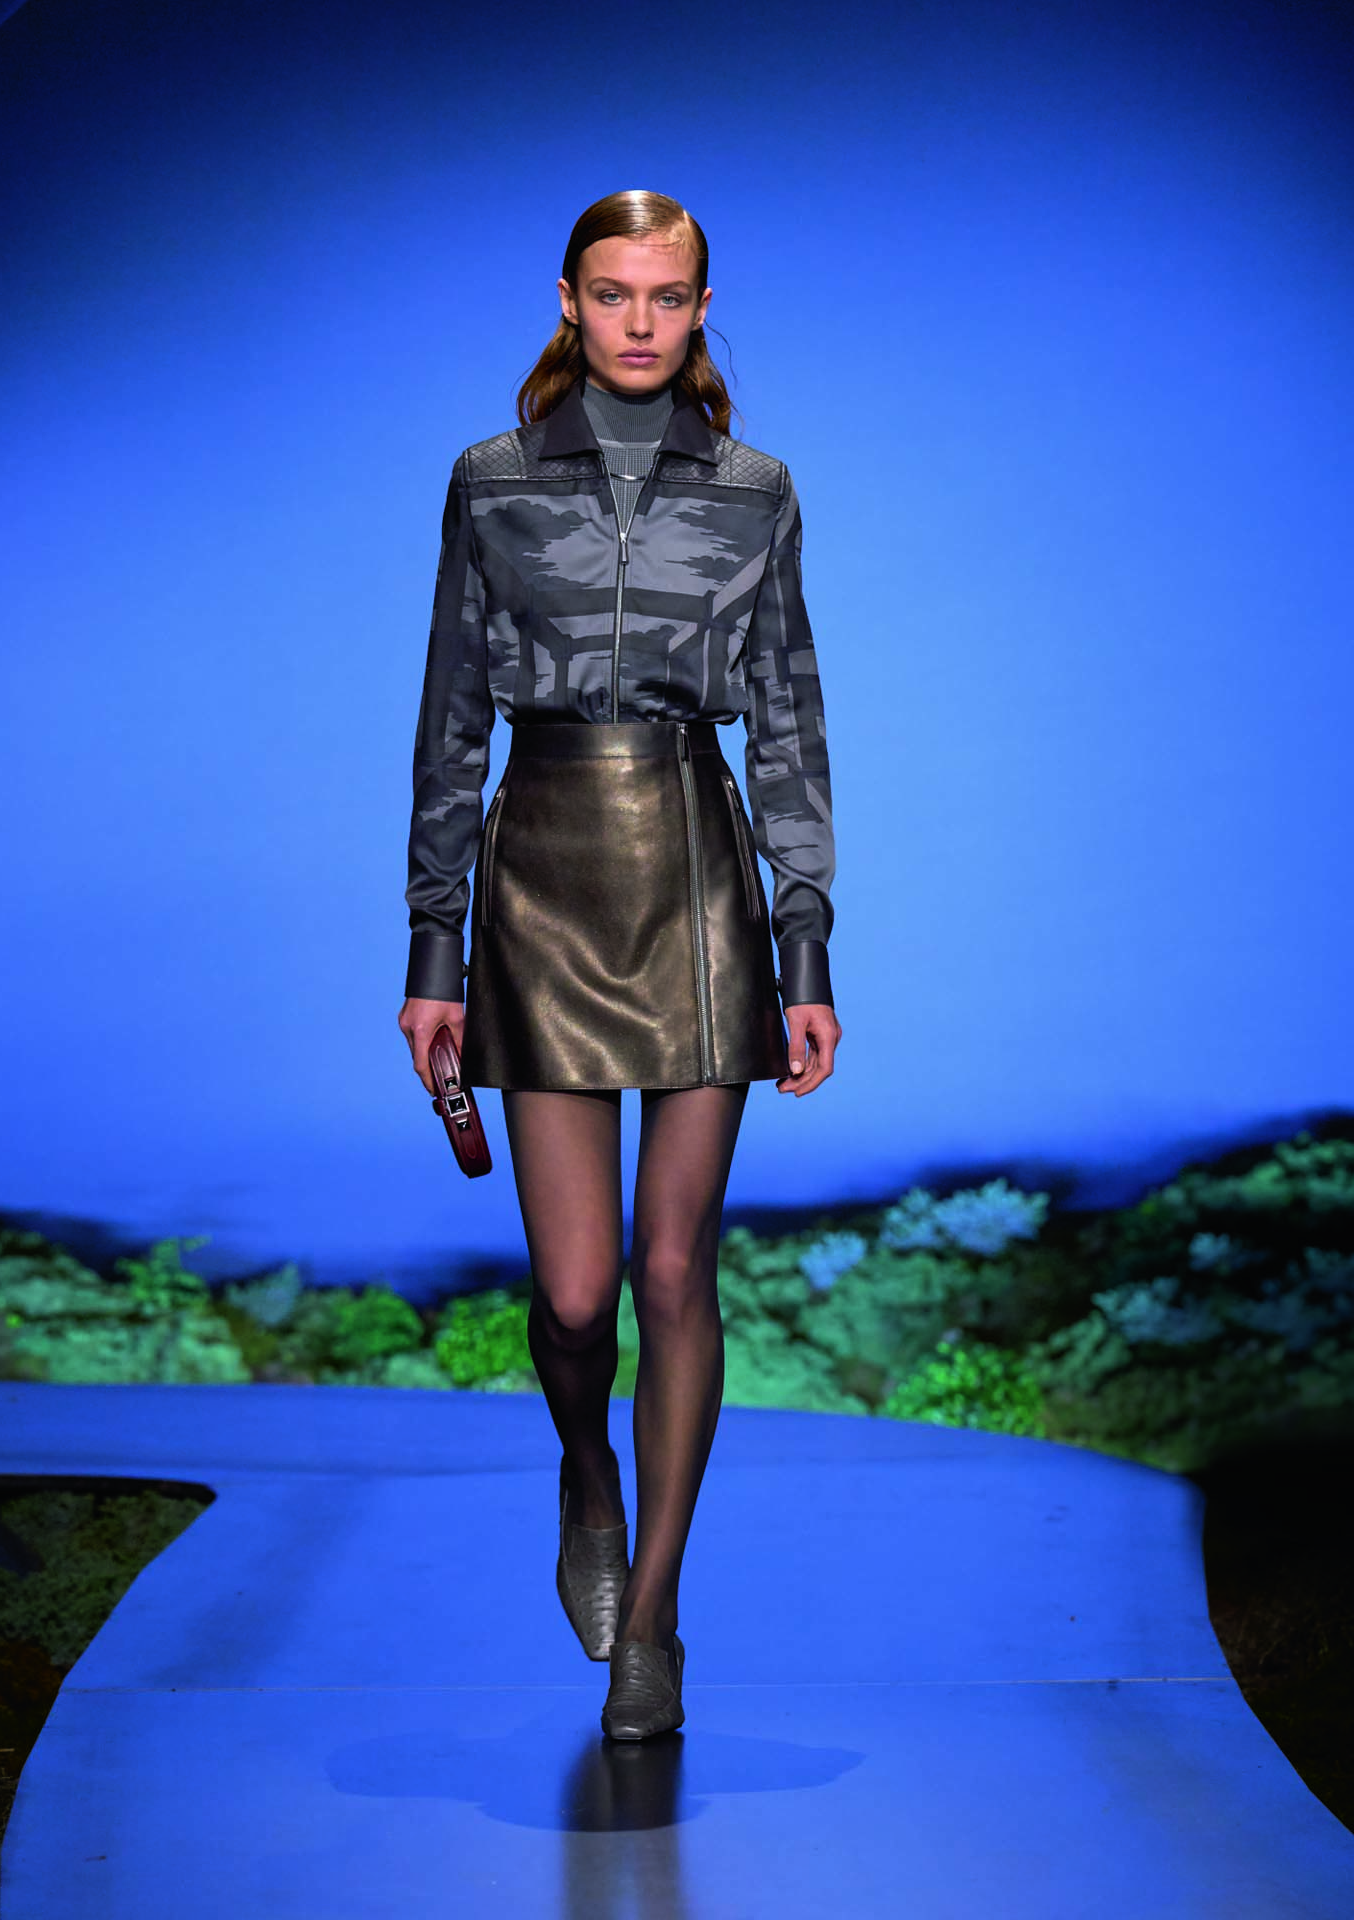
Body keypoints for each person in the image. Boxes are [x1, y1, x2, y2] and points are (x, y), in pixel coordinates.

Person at [398, 189, 841, 1740]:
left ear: (704, 307)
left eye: (667, 295)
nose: (640, 321)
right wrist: (433, 946)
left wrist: (806, 943)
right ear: (569, 300)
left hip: (700, 877)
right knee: (578, 1298)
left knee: (672, 1271)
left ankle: (654, 1618)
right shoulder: (491, 481)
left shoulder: (757, 492)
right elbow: (449, 720)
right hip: (538, 873)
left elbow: (788, 724)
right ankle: (587, 1471)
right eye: (613, 293)